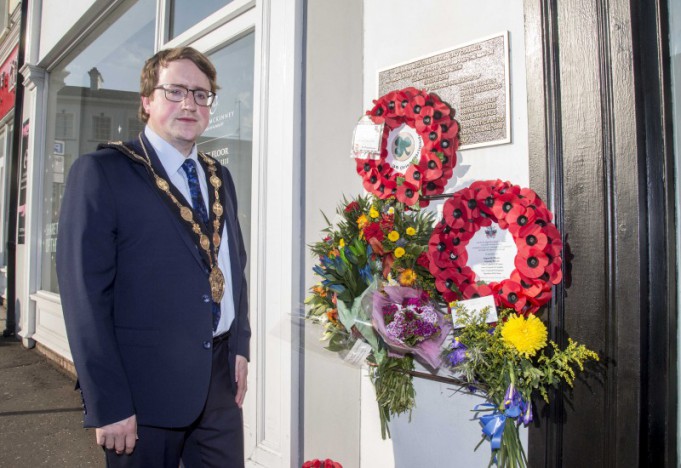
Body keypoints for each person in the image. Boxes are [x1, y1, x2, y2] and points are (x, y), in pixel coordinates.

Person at [56, 46, 250, 468]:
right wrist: (107, 401)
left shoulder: (220, 177)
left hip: (218, 385)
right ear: (146, 101)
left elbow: (234, 268)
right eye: (175, 90)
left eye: (201, 94)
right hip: (142, 393)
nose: (189, 104)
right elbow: (84, 298)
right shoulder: (103, 172)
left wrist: (240, 346)